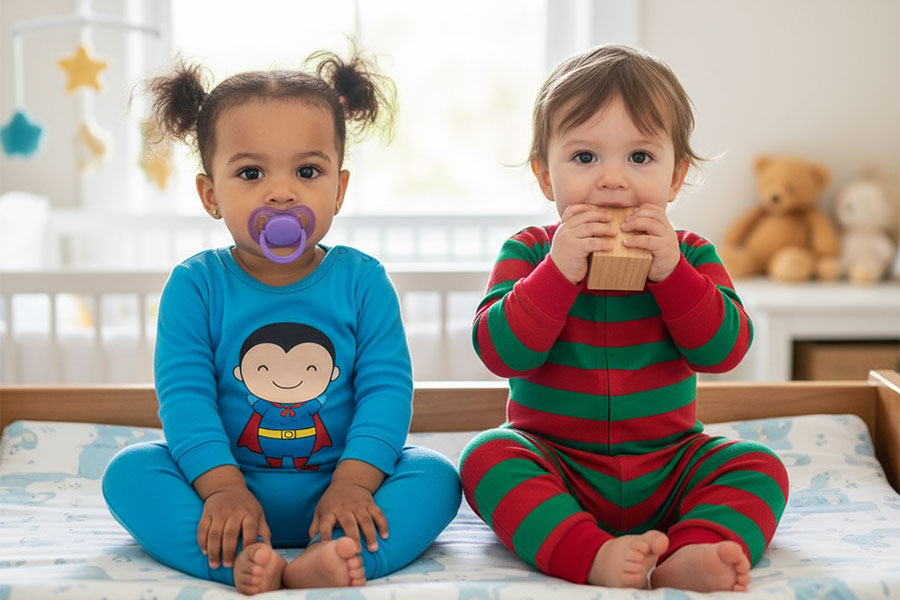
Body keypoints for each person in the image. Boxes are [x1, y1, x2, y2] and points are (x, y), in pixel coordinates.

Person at [102, 47, 461, 595]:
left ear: (338, 190)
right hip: (228, 490)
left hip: (341, 489)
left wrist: (354, 483)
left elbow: (387, 390)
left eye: (307, 170)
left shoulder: (363, 281)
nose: (282, 191)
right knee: (129, 473)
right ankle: (243, 561)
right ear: (210, 195)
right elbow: (186, 398)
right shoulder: (196, 286)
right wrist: (222, 489)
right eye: (251, 172)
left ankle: (330, 557)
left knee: (436, 477)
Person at [458, 44, 788, 593]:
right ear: (546, 177)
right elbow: (500, 353)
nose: (612, 180)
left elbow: (725, 351)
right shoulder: (531, 251)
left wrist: (673, 274)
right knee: (485, 458)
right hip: (557, 463)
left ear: (676, 176)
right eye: (585, 158)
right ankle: (593, 556)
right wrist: (557, 273)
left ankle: (690, 553)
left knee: (759, 466)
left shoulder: (692, 255)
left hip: (670, 465)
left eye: (639, 158)